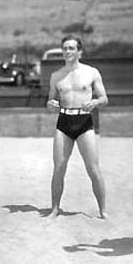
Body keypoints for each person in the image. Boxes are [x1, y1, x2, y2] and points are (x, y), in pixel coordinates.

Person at [46, 35, 108, 219]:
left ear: (79, 51)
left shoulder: (91, 72)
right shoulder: (56, 76)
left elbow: (105, 98)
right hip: (64, 122)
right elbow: (50, 101)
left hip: (84, 123)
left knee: (93, 168)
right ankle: (55, 209)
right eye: (65, 48)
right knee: (59, 168)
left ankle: (103, 210)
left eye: (71, 48)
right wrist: (51, 105)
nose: (67, 52)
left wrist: (95, 103)